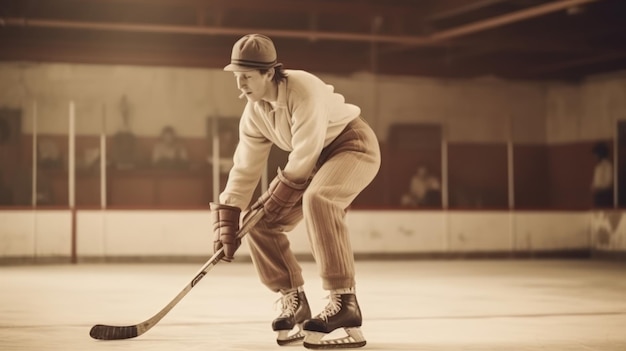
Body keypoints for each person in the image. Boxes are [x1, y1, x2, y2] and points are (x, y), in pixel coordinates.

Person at [210, 34, 380, 349]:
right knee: (258, 221)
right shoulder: (254, 113)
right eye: (237, 76)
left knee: (320, 198)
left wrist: (275, 194)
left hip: (352, 146)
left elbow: (305, 154)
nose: (240, 84)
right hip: (312, 163)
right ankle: (293, 299)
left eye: (246, 76)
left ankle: (345, 302)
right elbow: (245, 169)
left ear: (269, 73)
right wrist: (228, 218)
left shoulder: (303, 89)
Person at [591, 142, 613, 208]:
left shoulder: (608, 166)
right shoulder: (598, 167)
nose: (594, 157)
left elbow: (609, 183)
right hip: (598, 196)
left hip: (605, 196)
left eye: (596, 154)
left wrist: (598, 188)